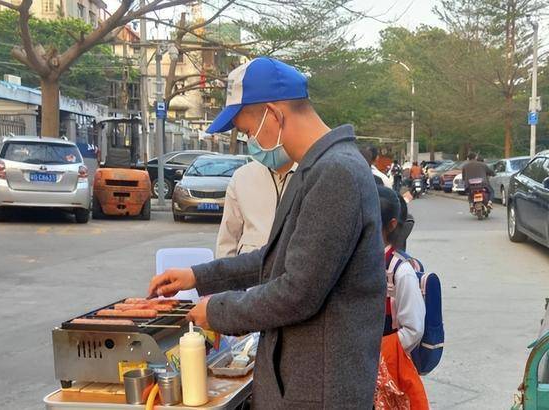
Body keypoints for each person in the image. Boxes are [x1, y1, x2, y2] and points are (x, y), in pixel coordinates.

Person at [148, 57, 386, 408]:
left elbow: (297, 292)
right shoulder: (312, 169)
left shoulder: (336, 174)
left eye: (246, 131)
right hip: (299, 379)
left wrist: (217, 311)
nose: (248, 141)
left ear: (273, 116)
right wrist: (196, 276)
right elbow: (275, 258)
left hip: (319, 391)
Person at [376, 186, 429, 409]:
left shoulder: (400, 271)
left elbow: (413, 329)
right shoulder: (357, 261)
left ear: (391, 225)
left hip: (387, 368)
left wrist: (380, 350)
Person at [216, 160, 295, 258]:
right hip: (247, 267)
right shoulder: (243, 176)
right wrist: (225, 271)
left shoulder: (311, 172)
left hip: (292, 265)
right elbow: (228, 236)